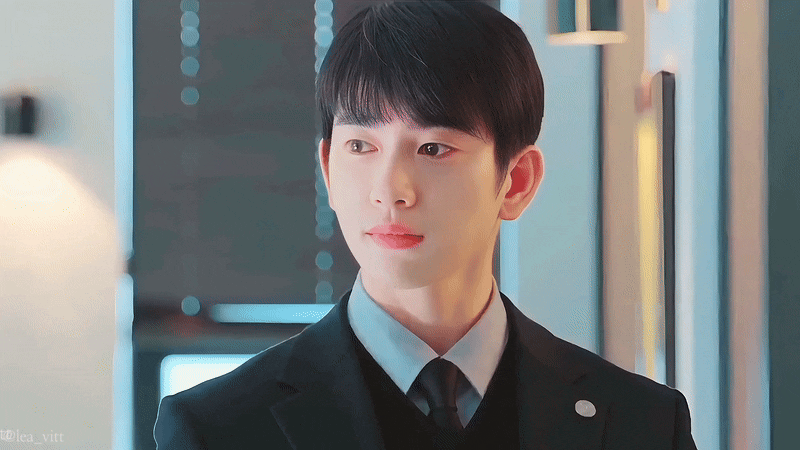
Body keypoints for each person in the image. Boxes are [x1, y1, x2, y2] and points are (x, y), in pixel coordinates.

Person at [154, 1, 697, 448]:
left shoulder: (640, 423)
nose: (390, 189)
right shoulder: (218, 429)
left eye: (433, 148)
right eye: (361, 146)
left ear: (516, 181)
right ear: (328, 169)